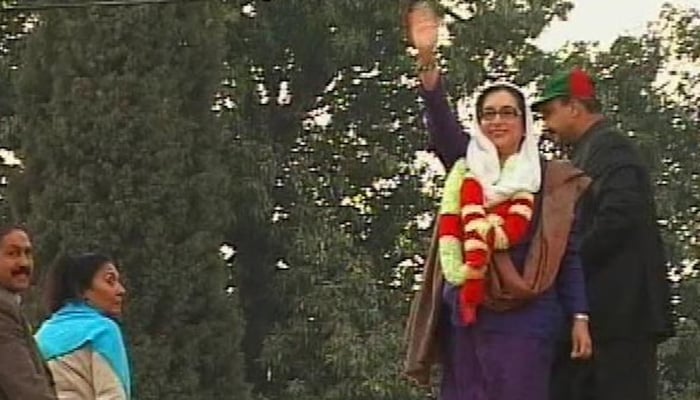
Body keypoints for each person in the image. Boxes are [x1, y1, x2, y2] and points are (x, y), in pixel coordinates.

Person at [403, 4, 592, 400]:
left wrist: (580, 315)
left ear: (524, 123)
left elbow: (568, 255)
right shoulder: (467, 166)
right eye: (488, 114)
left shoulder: (551, 178)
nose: (498, 121)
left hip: (529, 321)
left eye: (508, 112)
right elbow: (440, 124)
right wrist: (426, 59)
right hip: (469, 318)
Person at [532, 68, 674, 400]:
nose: (546, 125)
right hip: (599, 318)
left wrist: (566, 266)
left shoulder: (609, 147)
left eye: (550, 112)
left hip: (620, 317)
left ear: (575, 107)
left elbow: (620, 216)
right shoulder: (586, 151)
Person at [35, 253, 131, 400]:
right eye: (110, 281)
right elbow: (112, 395)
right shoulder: (101, 331)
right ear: (82, 290)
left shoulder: (40, 336)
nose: (121, 290)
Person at [0, 225, 57, 400]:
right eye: (12, 254)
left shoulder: (11, 306)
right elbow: (25, 389)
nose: (24, 263)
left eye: (27, 253)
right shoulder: (3, 310)